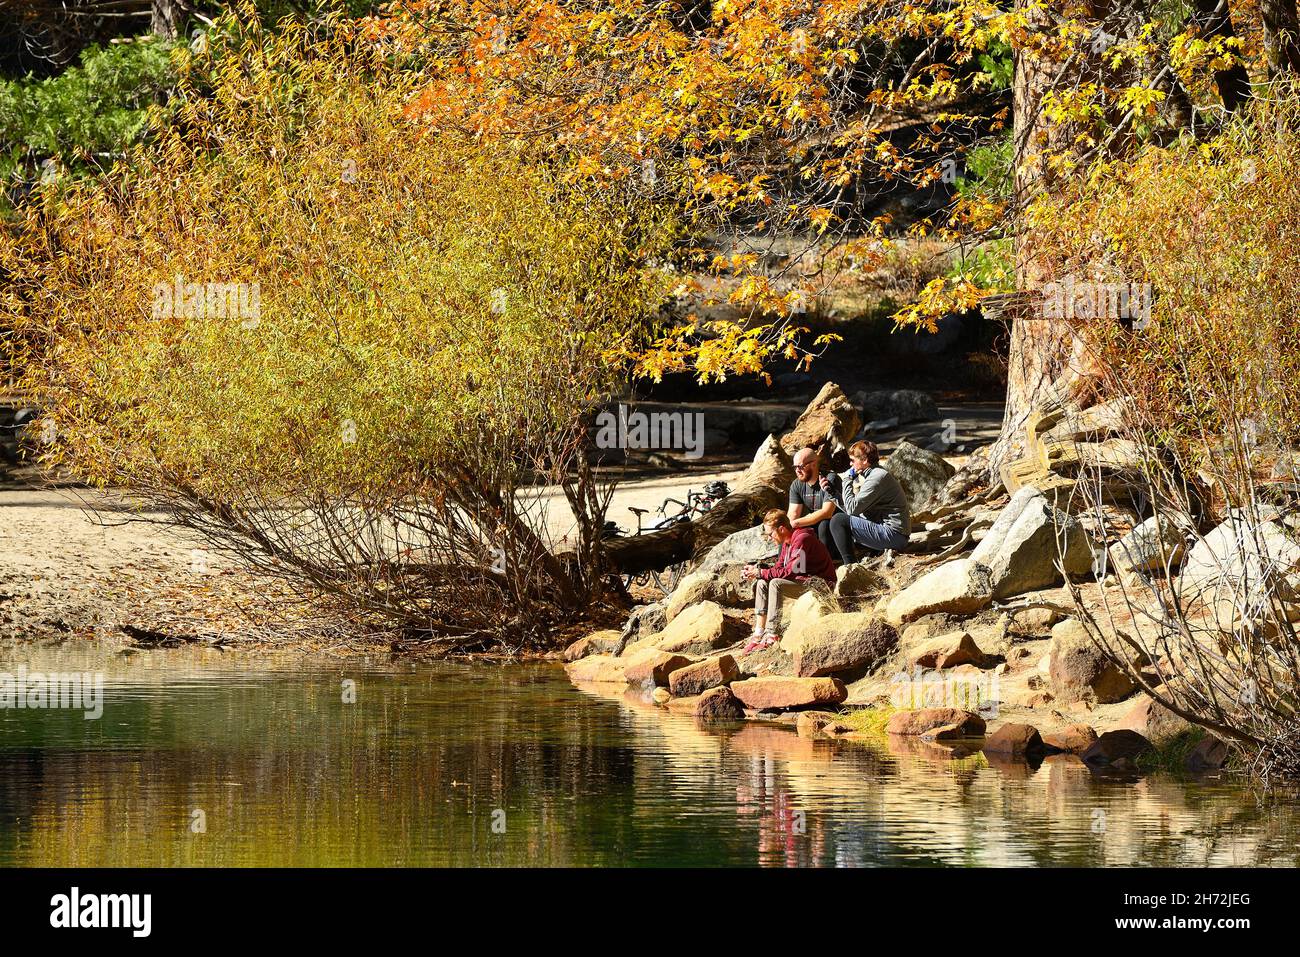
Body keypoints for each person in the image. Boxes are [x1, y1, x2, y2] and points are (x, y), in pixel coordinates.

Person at [741, 509, 836, 652]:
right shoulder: (787, 542)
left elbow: (792, 571)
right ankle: (759, 632)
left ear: (782, 528)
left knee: (776, 583)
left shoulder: (802, 539)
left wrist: (761, 572)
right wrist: (757, 572)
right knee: (762, 583)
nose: (769, 538)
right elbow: (780, 567)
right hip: (803, 580)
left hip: (820, 584)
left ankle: (772, 633)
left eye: (770, 534)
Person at [820, 440, 911, 554]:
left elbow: (852, 509)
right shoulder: (874, 474)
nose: (850, 464)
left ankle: (850, 565)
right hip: (893, 534)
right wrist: (832, 493)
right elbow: (856, 510)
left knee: (839, 520)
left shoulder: (877, 477)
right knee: (833, 520)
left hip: (894, 536)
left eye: (853, 460)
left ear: (864, 460)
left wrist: (847, 480)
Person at [787, 446, 855, 564]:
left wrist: (796, 523)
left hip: (835, 530)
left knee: (824, 524)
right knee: (789, 530)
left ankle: (826, 563)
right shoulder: (796, 485)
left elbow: (827, 512)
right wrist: (787, 528)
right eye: (795, 467)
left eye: (801, 466)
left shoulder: (830, 479)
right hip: (814, 527)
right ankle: (788, 564)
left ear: (813, 464)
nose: (797, 470)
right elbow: (792, 514)